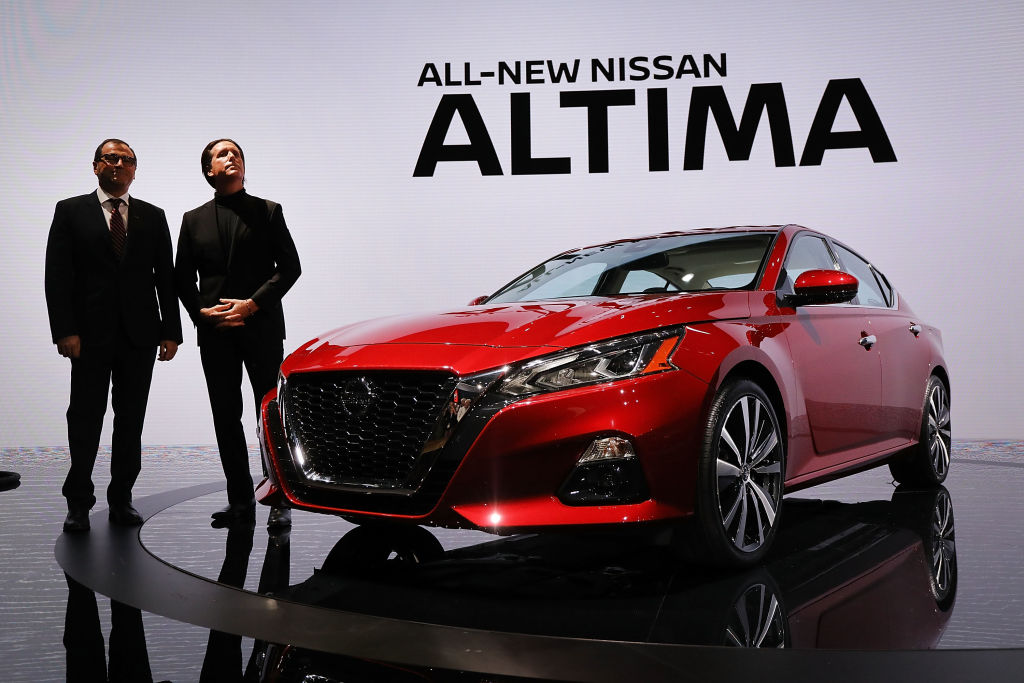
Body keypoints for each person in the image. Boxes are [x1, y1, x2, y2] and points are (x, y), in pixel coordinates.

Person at [45, 139, 182, 532]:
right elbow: (58, 276)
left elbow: (165, 280)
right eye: (111, 158)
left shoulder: (153, 217)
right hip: (87, 337)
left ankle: (121, 499)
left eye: (127, 160)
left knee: (130, 421)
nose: (119, 164)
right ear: (95, 166)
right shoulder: (71, 211)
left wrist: (170, 332)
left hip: (140, 336)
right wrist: (64, 330)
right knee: (85, 418)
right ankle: (78, 503)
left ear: (135, 170)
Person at [175, 139, 301, 528]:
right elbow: (181, 277)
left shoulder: (268, 211)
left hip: (260, 327)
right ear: (208, 170)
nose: (232, 157)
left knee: (269, 415)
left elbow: (291, 267)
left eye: (238, 154)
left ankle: (279, 499)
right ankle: (240, 502)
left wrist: (252, 304)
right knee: (225, 416)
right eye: (222, 154)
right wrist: (204, 315)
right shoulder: (192, 219)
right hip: (216, 334)